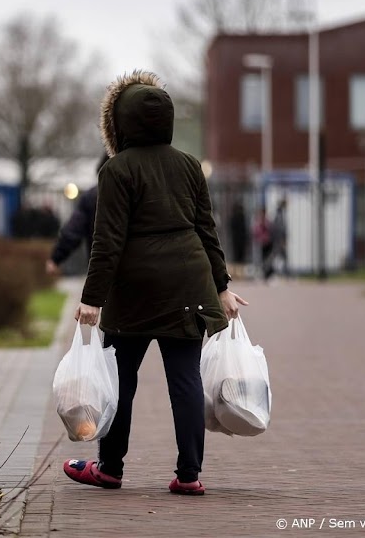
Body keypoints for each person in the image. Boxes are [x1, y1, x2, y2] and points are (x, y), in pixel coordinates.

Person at [63, 71, 247, 497]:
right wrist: (221, 286)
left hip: (134, 292)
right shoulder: (188, 165)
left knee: (119, 381)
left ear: (119, 124)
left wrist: (92, 299)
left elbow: (106, 241)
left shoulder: (116, 170)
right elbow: (207, 231)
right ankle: (189, 475)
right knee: (185, 380)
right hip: (188, 286)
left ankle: (109, 469)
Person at [45, 156, 107, 276]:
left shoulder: (92, 197)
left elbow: (73, 230)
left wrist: (56, 258)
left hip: (104, 269)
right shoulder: (145, 188)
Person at [228, 201, 249, 278]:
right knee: (241, 256)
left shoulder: (233, 217)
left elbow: (231, 228)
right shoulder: (242, 217)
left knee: (236, 256)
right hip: (241, 239)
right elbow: (244, 229)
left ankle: (237, 273)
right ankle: (240, 274)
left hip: (235, 239)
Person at [253, 207, 274, 281]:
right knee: (261, 259)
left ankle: (269, 274)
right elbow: (256, 232)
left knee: (268, 259)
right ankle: (263, 274)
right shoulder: (258, 222)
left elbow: (271, 230)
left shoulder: (267, 221)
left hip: (268, 243)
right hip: (261, 243)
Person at [272, 199, 289, 278]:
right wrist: (282, 239)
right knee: (277, 256)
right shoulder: (279, 214)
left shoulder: (280, 213)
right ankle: (274, 273)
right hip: (279, 240)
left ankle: (282, 273)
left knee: (280, 256)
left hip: (278, 239)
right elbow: (280, 228)